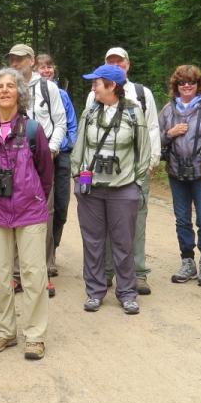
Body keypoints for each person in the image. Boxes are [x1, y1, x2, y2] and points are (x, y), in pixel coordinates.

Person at [0, 68, 54, 360]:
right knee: (2, 275)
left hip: (30, 211)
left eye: (10, 86)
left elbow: (46, 173)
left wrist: (33, 197)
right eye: (0, 87)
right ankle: (5, 331)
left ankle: (34, 335)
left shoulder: (33, 130)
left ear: (20, 93)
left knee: (33, 275)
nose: (5, 90)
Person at [72, 64, 150, 316]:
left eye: (97, 83)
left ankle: (127, 293)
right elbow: (80, 146)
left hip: (123, 188)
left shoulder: (133, 113)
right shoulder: (90, 113)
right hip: (91, 189)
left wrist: (137, 184)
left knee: (123, 243)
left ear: (111, 86)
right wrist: (77, 176)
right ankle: (94, 292)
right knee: (93, 242)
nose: (93, 87)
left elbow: (144, 151)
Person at [85, 47, 160, 294]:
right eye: (111, 61)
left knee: (135, 222)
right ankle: (107, 272)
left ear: (128, 63)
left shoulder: (141, 93)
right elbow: (88, 133)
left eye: (120, 61)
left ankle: (137, 273)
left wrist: (151, 163)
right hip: (101, 171)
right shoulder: (93, 94)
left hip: (135, 168)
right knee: (104, 222)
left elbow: (150, 129)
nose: (117, 65)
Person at [5, 44, 65, 297]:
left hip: (41, 160)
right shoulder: (8, 87)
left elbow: (60, 122)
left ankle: (43, 270)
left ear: (31, 60)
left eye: (19, 59)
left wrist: (49, 150)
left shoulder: (47, 87)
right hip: (13, 160)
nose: (15, 64)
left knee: (44, 214)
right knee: (14, 212)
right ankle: (17, 273)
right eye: (12, 60)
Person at [158, 65, 201, 285]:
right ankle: (187, 261)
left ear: (198, 85)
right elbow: (155, 139)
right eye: (182, 82)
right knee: (182, 219)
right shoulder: (167, 110)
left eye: (191, 82)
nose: (186, 86)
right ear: (176, 85)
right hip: (176, 171)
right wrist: (169, 133)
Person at [35, 54, 78, 267]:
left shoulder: (62, 94)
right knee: (40, 204)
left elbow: (71, 125)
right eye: (42, 67)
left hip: (60, 156)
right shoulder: (30, 93)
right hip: (38, 157)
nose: (46, 70)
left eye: (49, 66)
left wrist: (64, 146)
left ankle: (53, 246)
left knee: (60, 206)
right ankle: (44, 256)